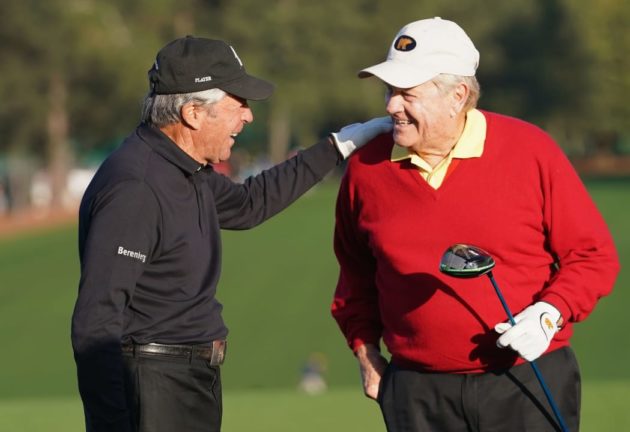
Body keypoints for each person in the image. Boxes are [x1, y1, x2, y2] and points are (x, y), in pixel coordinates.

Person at [71, 35, 391, 432]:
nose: (248, 116)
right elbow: (96, 320)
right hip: (153, 386)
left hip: (185, 380)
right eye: (238, 103)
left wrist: (339, 145)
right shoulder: (137, 187)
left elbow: (249, 203)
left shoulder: (183, 169)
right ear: (192, 113)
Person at [331, 17, 620, 432]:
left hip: (526, 381)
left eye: (408, 94)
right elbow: (354, 276)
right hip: (417, 393)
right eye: (390, 91)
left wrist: (549, 314)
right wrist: (365, 351)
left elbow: (592, 256)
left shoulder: (530, 150)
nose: (392, 106)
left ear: (457, 96)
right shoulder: (366, 168)